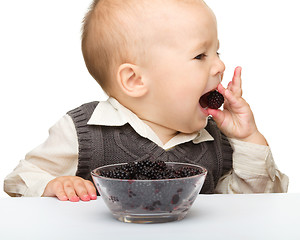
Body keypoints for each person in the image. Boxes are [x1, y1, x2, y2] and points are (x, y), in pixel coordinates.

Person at [4, 0, 288, 201]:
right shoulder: (82, 132)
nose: (219, 67)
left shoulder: (218, 144)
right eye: (201, 55)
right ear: (135, 80)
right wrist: (54, 184)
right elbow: (19, 180)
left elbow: (256, 204)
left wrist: (249, 138)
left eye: (218, 52)